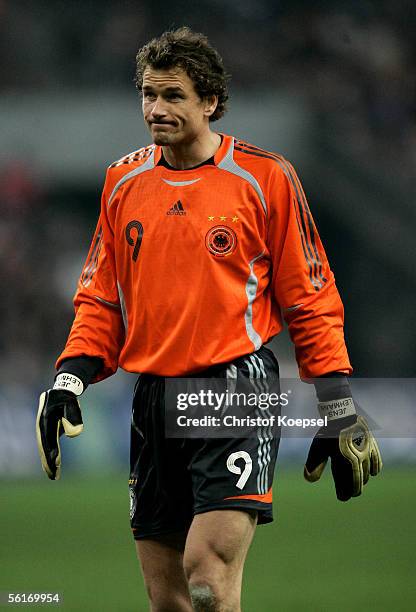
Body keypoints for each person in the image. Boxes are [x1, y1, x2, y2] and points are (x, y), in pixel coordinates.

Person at [36, 27, 382, 612]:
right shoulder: (123, 182)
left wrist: (337, 401)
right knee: (167, 598)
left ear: (210, 102)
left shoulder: (265, 177)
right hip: (152, 396)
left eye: (173, 95)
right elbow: (101, 297)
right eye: (148, 94)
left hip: (235, 389)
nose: (156, 108)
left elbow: (310, 296)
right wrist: (70, 376)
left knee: (206, 577)